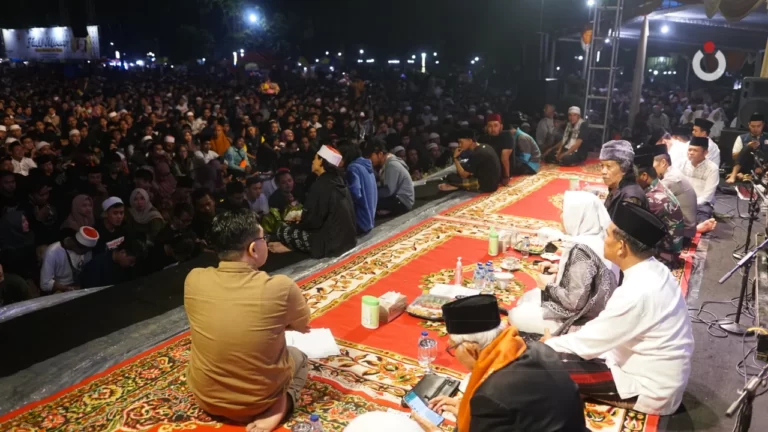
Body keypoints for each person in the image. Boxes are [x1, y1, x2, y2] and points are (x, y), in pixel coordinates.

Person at [543, 202, 694, 415]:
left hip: (649, 388)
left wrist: (548, 345)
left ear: (622, 246)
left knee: (545, 364)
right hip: (649, 369)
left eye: (607, 235)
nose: (604, 240)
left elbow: (588, 344)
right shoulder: (654, 269)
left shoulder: (638, 291)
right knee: (566, 341)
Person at [185, 210, 310, 431]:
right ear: (253, 248)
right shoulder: (280, 287)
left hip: (206, 398)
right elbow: (303, 326)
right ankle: (283, 403)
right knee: (299, 356)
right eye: (264, 239)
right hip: (258, 403)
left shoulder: (193, 278)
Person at [410, 295, 587, 432]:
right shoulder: (541, 350)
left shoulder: (489, 396)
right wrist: (471, 413)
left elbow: (503, 403)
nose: (454, 354)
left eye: (453, 348)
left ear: (471, 349)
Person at [509, 191, 618, 336]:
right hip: (596, 312)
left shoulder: (582, 250)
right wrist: (561, 269)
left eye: (565, 211)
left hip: (580, 322)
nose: (561, 216)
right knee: (529, 297)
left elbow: (575, 302)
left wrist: (548, 286)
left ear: (578, 215)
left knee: (516, 314)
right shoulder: (599, 240)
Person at [270, 145, 357, 258]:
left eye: (315, 158)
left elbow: (312, 221)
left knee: (282, 230)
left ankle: (289, 247)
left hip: (332, 245)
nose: (312, 161)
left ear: (322, 162)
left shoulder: (320, 185)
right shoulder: (338, 181)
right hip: (348, 240)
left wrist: (296, 226)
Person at [634, 147, 684, 263]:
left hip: (663, 255)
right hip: (665, 247)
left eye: (633, 178)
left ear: (644, 176)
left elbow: (635, 231)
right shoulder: (656, 186)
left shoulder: (654, 199)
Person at [652, 145, 706, 239]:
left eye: (653, 166)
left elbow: (653, 200)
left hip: (683, 234)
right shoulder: (672, 173)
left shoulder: (671, 179)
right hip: (684, 228)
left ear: (663, 163)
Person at [439, 128, 502, 193]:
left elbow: (463, 175)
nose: (459, 145)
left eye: (461, 142)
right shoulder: (485, 146)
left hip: (486, 186)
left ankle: (458, 186)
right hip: (493, 181)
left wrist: (455, 158)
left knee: (451, 178)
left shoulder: (477, 153)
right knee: (462, 167)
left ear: (470, 140)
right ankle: (459, 185)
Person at [40, 227, 99, 293]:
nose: (86, 254)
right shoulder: (52, 252)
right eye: (85, 252)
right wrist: (68, 288)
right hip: (60, 291)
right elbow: (45, 284)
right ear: (77, 246)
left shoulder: (86, 252)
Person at [364, 141, 415, 217]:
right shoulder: (388, 163)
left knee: (368, 203)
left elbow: (388, 191)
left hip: (402, 202)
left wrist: (371, 194)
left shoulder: (392, 165)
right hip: (398, 198)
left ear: (380, 154)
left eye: (370, 156)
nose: (369, 160)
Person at [599, 140, 648, 214]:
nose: (603, 171)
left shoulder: (631, 197)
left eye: (608, 166)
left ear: (624, 168)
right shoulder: (616, 187)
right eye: (602, 166)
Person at [678, 137, 719, 223]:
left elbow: (707, 196)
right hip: (682, 201)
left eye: (695, 150)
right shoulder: (682, 164)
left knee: (701, 218)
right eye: (689, 150)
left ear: (705, 152)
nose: (691, 153)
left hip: (701, 205)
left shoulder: (712, 168)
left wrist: (690, 204)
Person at [340, 142, 377, 234]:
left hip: (360, 222)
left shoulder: (353, 168)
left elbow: (355, 193)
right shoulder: (366, 165)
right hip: (370, 219)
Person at [727, 113, 768, 182]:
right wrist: (748, 147)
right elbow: (734, 157)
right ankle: (734, 174)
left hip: (764, 170)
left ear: (763, 125)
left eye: (758, 126)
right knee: (746, 148)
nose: (755, 129)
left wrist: (763, 168)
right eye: (753, 126)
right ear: (749, 125)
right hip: (745, 170)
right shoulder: (741, 138)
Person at [478, 113, 513, 185]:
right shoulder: (483, 138)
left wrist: (506, 176)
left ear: (501, 127)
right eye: (490, 126)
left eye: (496, 125)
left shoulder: (506, 136)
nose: (493, 129)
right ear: (486, 128)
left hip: (502, 170)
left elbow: (505, 158)